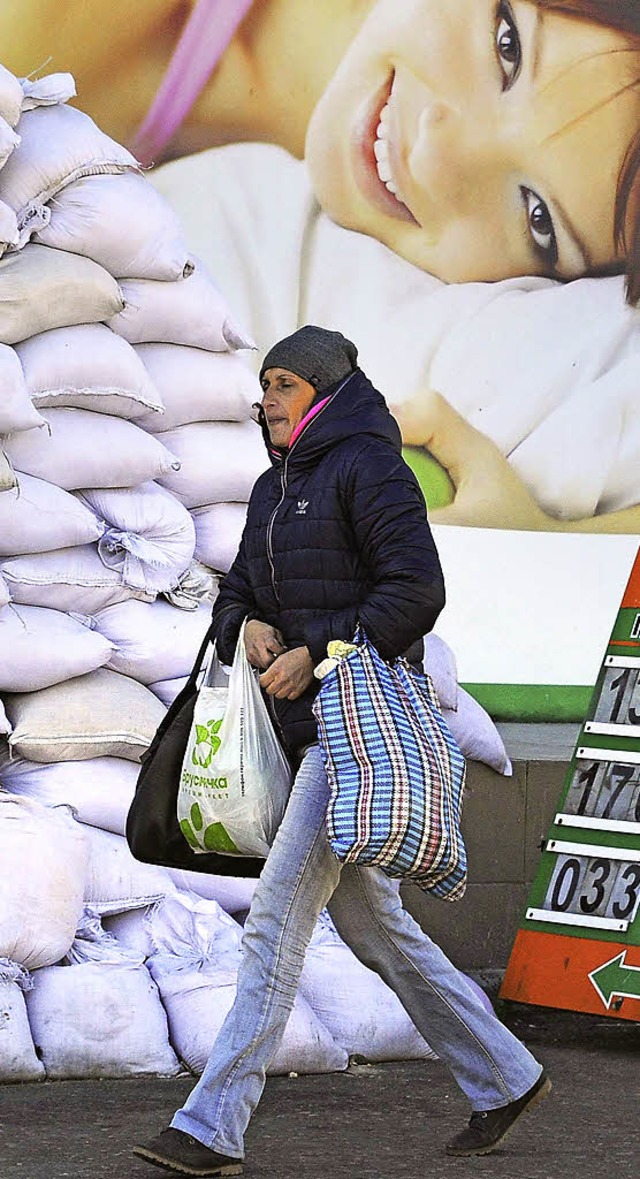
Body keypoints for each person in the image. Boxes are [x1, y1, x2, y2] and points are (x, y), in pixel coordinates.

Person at [133, 326, 550, 1177]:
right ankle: (505, 1073)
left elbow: (415, 591)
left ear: (325, 391)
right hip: (298, 733)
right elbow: (239, 590)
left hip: (350, 732)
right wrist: (242, 625)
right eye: (264, 385)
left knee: (277, 920)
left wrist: (315, 648)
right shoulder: (269, 489)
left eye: (283, 384)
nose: (268, 400)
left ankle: (211, 1126)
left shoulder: (370, 469)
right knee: (376, 927)